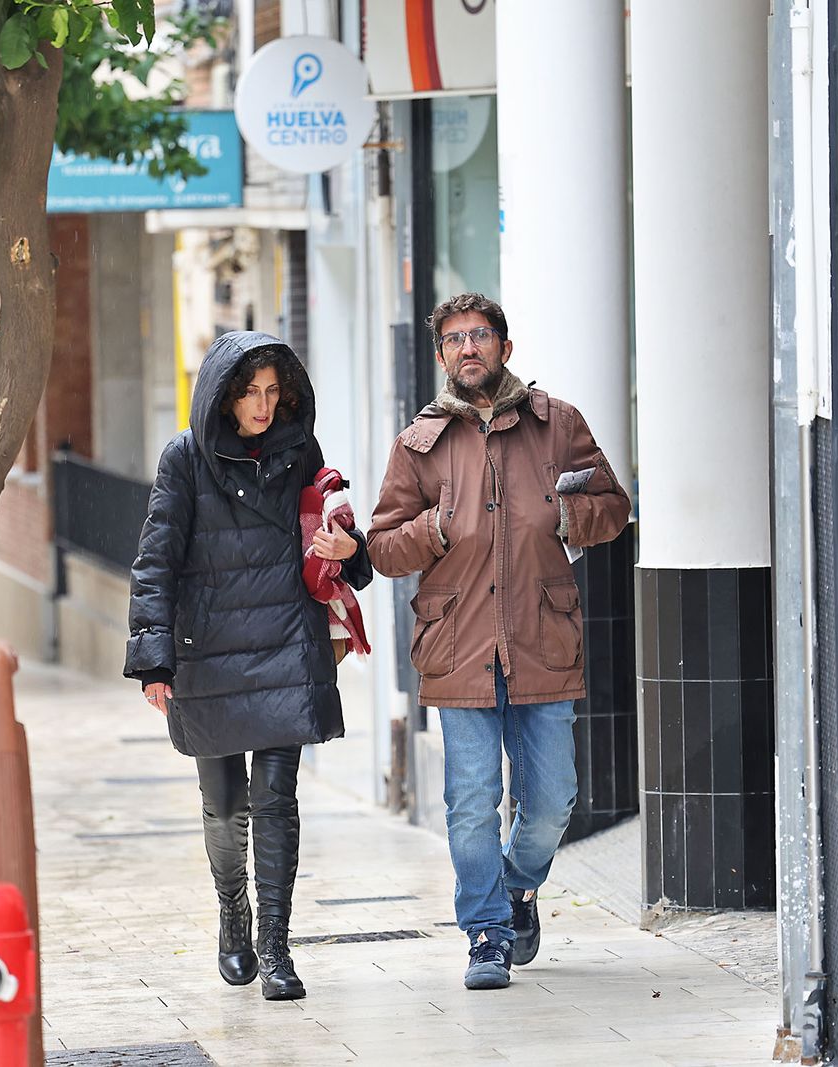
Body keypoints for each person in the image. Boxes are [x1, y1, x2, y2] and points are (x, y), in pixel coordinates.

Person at [367, 292, 631, 990]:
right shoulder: (418, 443)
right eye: (454, 339)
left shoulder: (557, 424)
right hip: (458, 643)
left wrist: (566, 518)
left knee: (552, 800)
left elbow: (615, 505)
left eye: (480, 335)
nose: (469, 348)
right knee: (470, 798)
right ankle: (486, 931)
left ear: (505, 349)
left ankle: (517, 884)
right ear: (441, 356)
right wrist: (434, 529)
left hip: (543, 635)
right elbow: (383, 547)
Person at [124, 333, 372, 1001]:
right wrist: (154, 658)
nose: (263, 405)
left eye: (272, 391)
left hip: (286, 642)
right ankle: (233, 913)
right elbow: (155, 561)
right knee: (225, 803)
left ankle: (277, 946)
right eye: (249, 392)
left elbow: (348, 552)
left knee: (277, 798)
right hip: (210, 652)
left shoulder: (300, 451)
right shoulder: (183, 458)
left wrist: (348, 549)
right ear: (222, 395)